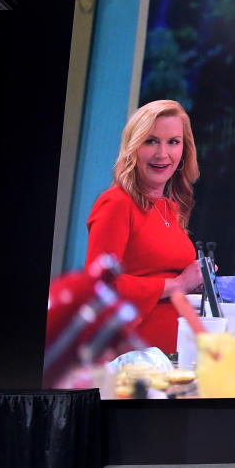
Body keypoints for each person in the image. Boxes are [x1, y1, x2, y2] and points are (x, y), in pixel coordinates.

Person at [85, 99, 203, 353]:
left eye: (173, 142)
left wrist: (196, 282)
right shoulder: (116, 203)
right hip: (129, 359)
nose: (163, 154)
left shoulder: (170, 208)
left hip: (172, 358)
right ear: (133, 147)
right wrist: (178, 284)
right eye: (151, 141)